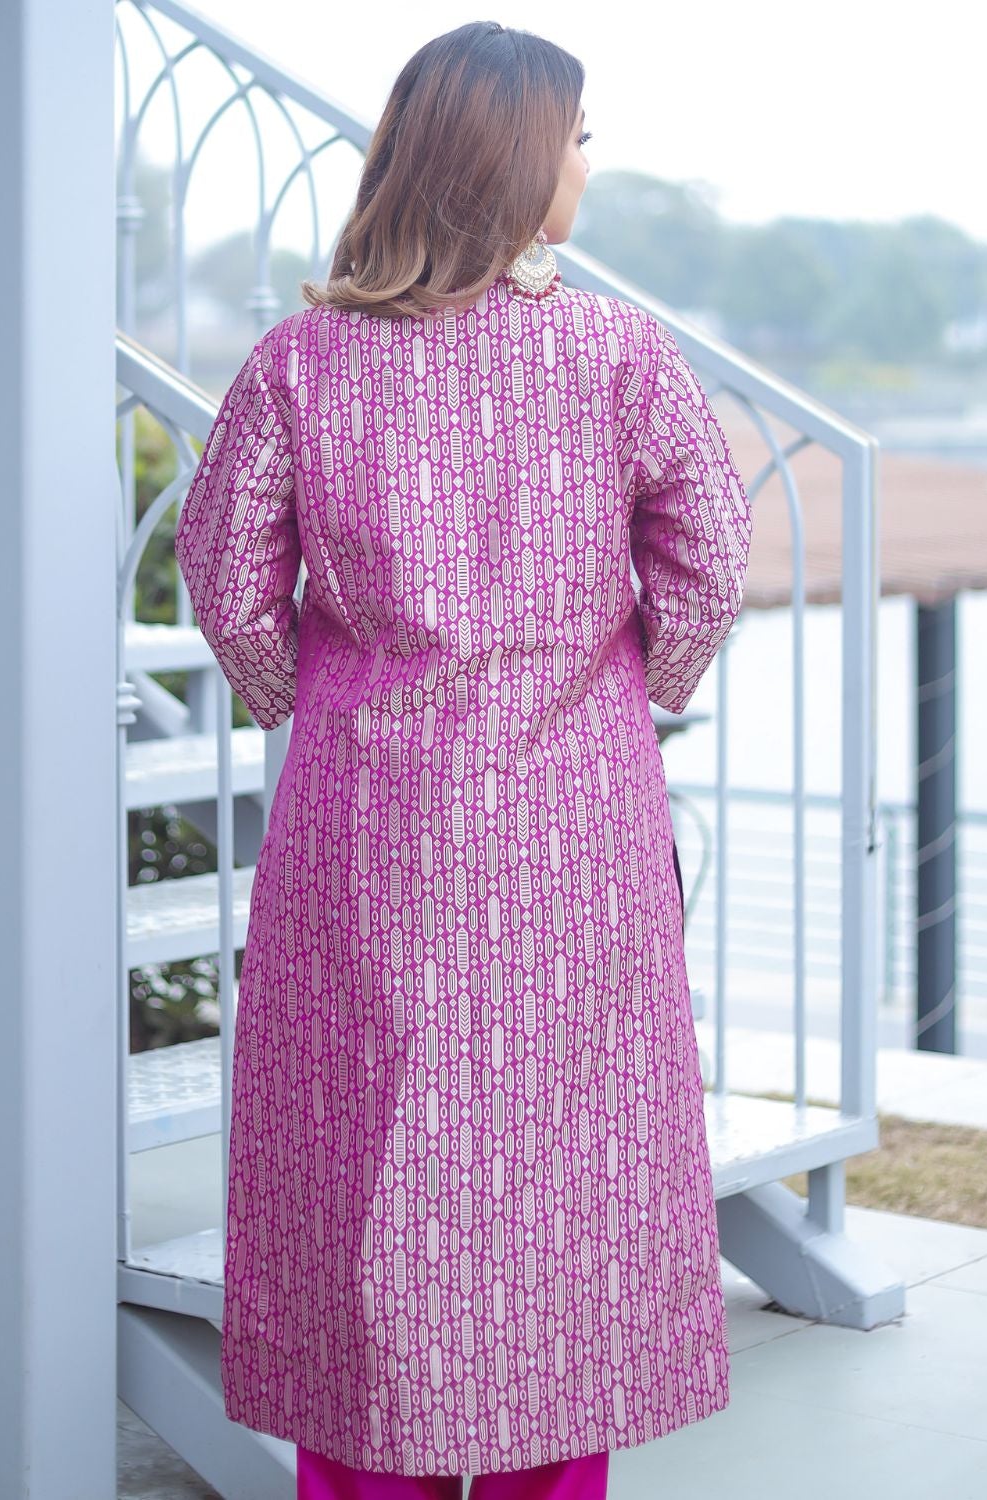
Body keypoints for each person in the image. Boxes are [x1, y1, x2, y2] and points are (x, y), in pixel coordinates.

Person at [174, 21, 753, 1500]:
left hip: (364, 830)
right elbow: (710, 555)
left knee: (361, 1168)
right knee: (563, 1188)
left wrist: (315, 692)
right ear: (512, 163)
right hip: (575, 831)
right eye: (575, 136)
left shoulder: (301, 361)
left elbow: (226, 574)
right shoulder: (621, 354)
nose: (585, 162)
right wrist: (637, 690)